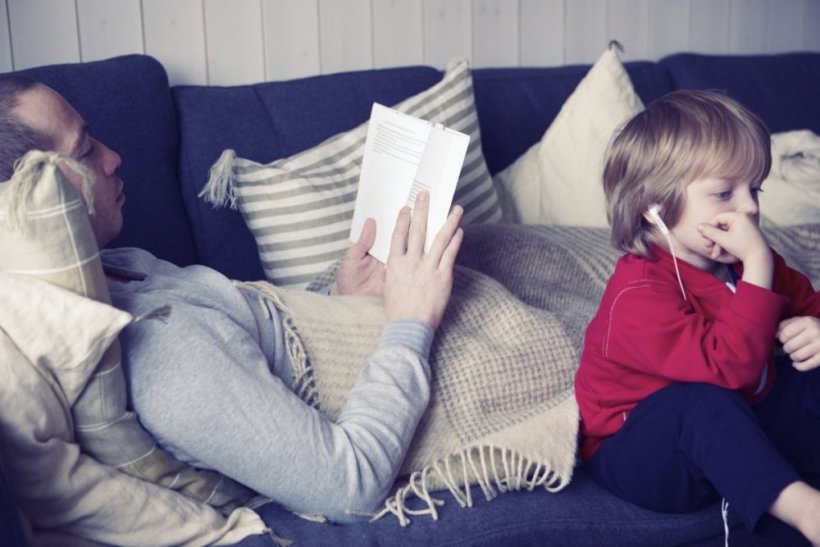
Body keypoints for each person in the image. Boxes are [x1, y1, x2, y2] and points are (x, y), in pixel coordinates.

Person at [0, 75, 464, 522]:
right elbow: (348, 488)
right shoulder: (158, 353)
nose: (114, 157)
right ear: (34, 196)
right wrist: (410, 323)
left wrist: (336, 297)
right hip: (406, 344)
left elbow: (264, 340)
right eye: (85, 149)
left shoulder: (119, 264)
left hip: (363, 321)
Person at [574, 89, 820, 544]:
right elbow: (727, 372)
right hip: (646, 453)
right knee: (700, 402)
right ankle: (804, 510)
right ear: (655, 207)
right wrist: (758, 269)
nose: (749, 208)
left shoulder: (746, 260)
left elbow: (809, 303)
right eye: (725, 192)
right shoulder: (637, 295)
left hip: (739, 418)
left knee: (807, 374)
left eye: (754, 189)